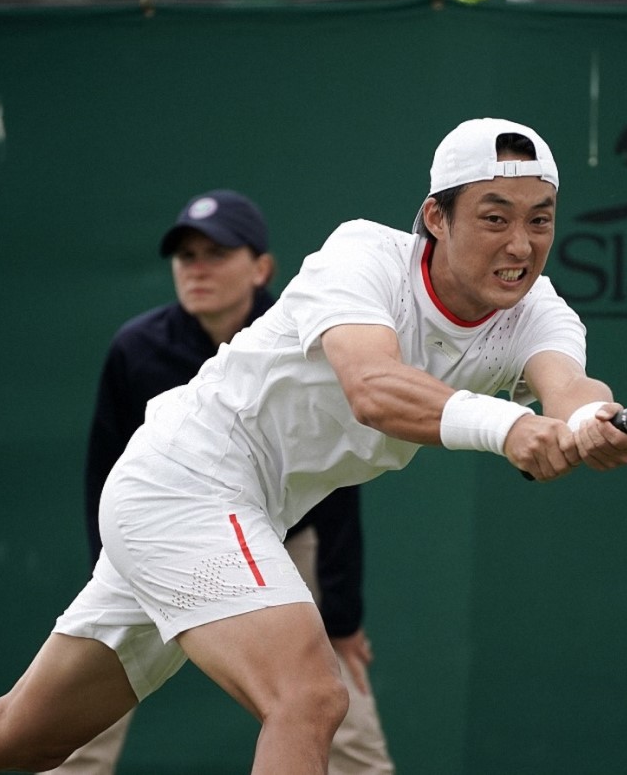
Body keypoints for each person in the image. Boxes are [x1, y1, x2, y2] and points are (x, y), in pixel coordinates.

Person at [0, 117, 627, 775]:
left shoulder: (539, 310)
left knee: (19, 736)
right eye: (494, 215)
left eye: (540, 218)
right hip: (188, 479)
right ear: (435, 218)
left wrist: (584, 425)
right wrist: (510, 427)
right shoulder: (361, 257)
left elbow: (570, 387)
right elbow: (374, 388)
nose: (521, 243)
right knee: (310, 696)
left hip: (227, 509)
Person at [41, 190, 394, 775]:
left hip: (286, 538)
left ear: (261, 267)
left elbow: (339, 487)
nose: (196, 268)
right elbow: (106, 472)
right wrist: (109, 569)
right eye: (185, 256)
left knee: (335, 706)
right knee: (61, 728)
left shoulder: (315, 336)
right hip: (165, 540)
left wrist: (344, 619)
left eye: (216, 252)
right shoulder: (136, 348)